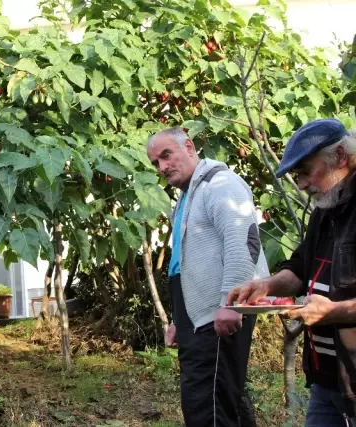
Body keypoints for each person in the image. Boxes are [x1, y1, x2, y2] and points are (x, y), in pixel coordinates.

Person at [227, 118, 356, 426]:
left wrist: (334, 311)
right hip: (326, 381)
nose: (300, 184)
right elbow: (300, 269)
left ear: (340, 157)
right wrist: (266, 286)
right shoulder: (325, 210)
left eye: (305, 172)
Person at [147, 127, 269, 426]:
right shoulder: (189, 196)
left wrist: (232, 302)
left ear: (188, 146)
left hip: (221, 311)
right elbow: (183, 265)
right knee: (223, 398)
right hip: (199, 317)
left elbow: (243, 242)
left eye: (167, 155)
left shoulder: (220, 183)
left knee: (206, 405)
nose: (163, 167)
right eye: (156, 163)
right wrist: (180, 320)